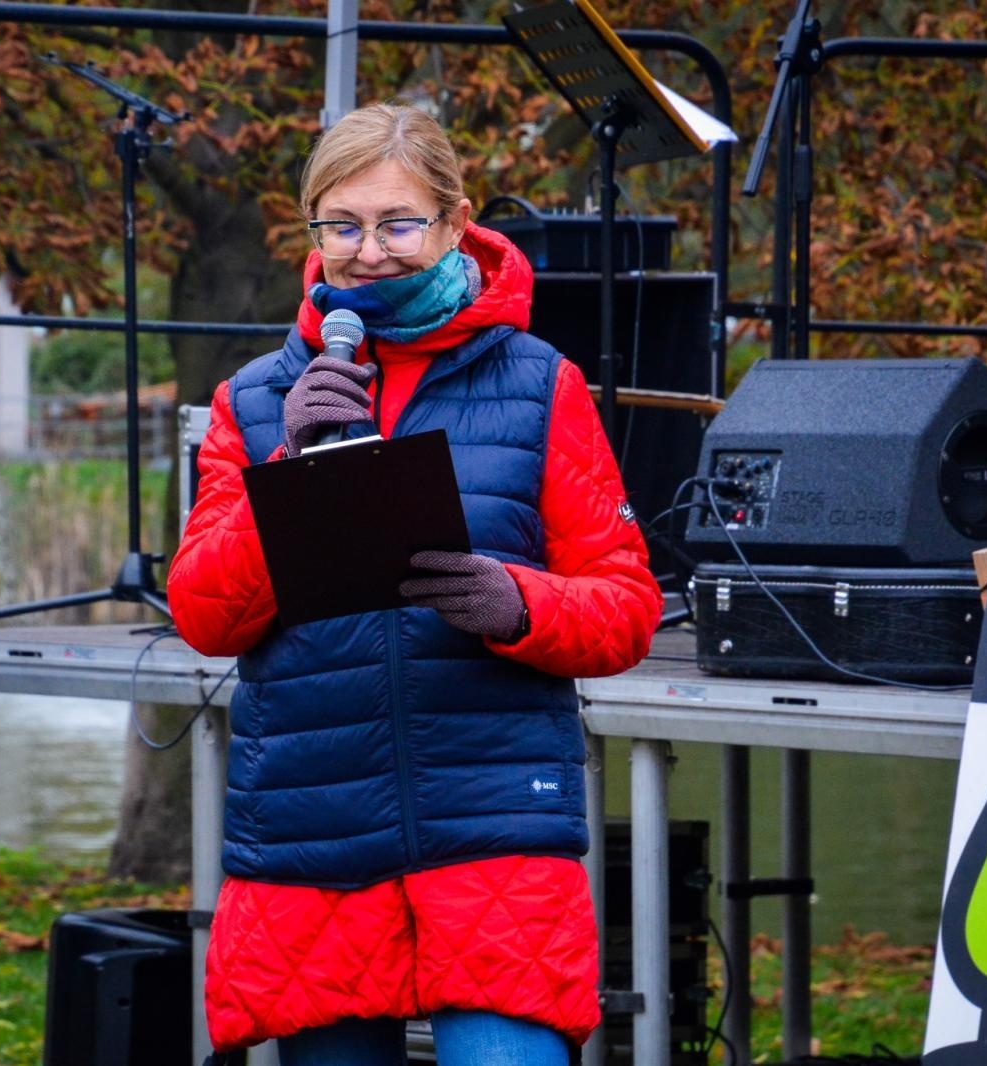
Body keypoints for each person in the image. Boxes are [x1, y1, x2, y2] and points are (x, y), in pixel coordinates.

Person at [168, 102, 662, 1066]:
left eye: (397, 224)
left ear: (452, 221)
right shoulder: (256, 400)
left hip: (494, 828)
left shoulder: (538, 383)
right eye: (341, 226)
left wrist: (518, 604)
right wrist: (286, 474)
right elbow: (202, 614)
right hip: (319, 834)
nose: (369, 251)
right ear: (310, 230)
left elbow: (626, 606)